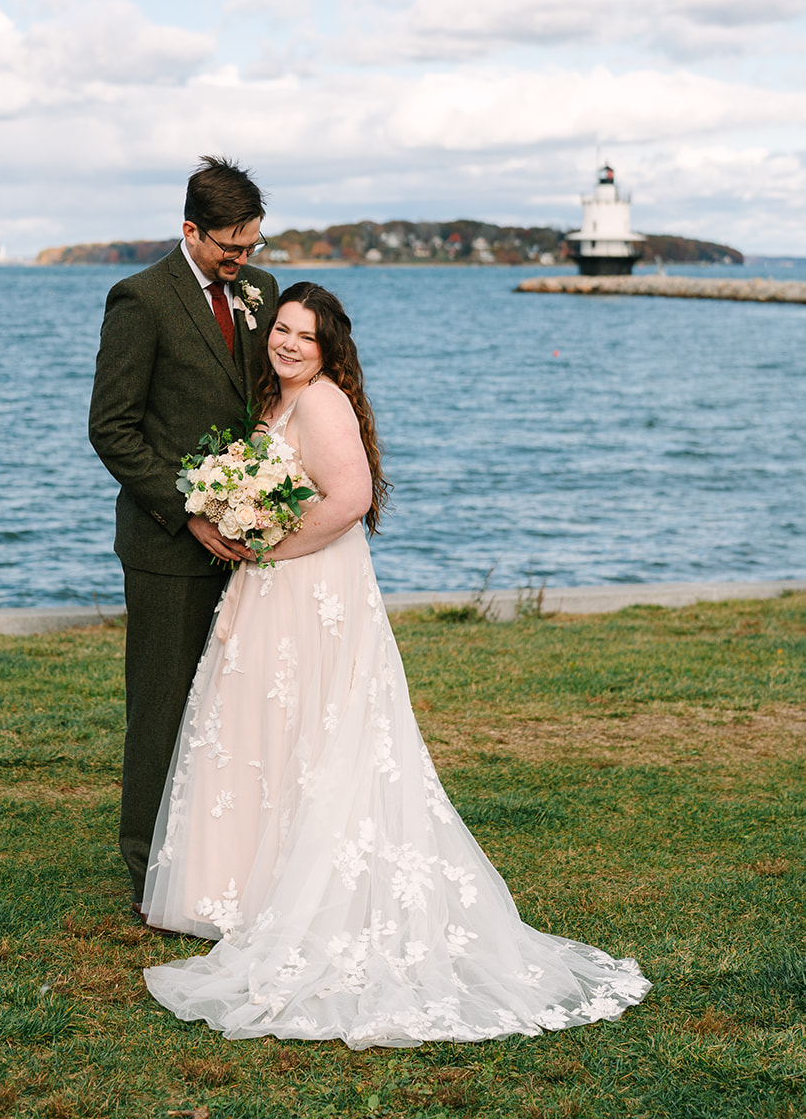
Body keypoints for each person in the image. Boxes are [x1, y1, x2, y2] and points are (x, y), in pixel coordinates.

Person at [142, 284, 651, 1047]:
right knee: (271, 725)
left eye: (302, 337)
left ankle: (304, 893)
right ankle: (253, 889)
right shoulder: (278, 403)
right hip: (277, 582)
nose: (284, 344)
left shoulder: (320, 403)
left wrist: (267, 547)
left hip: (311, 584)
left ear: (327, 350)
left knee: (319, 727)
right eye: (279, 329)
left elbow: (346, 498)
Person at [88, 156, 279, 913]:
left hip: (256, 542)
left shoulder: (263, 294)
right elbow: (113, 429)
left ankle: (229, 857)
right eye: (228, 249)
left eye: (252, 246)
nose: (242, 263)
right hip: (168, 546)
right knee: (163, 707)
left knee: (241, 703)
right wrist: (193, 510)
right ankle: (150, 875)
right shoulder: (140, 300)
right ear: (189, 230)